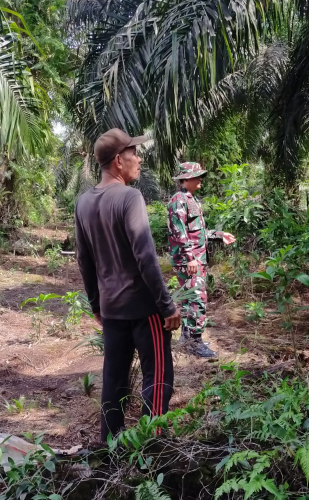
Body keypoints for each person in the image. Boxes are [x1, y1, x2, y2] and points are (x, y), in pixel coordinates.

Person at [75, 129, 182, 441]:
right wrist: (167, 306)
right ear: (118, 161)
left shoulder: (83, 202)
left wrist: (96, 305)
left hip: (111, 309)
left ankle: (110, 446)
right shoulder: (129, 197)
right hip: (144, 309)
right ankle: (153, 444)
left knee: (114, 380)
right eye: (134, 153)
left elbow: (84, 260)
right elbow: (145, 257)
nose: (139, 159)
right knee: (157, 378)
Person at [167, 162, 236, 358]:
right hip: (189, 261)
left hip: (194, 259)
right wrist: (190, 258)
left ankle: (187, 339)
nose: (200, 180)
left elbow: (198, 231)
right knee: (197, 299)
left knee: (189, 298)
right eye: (197, 176)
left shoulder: (190, 199)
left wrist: (219, 235)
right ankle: (194, 342)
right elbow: (179, 232)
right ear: (186, 178)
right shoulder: (178, 201)